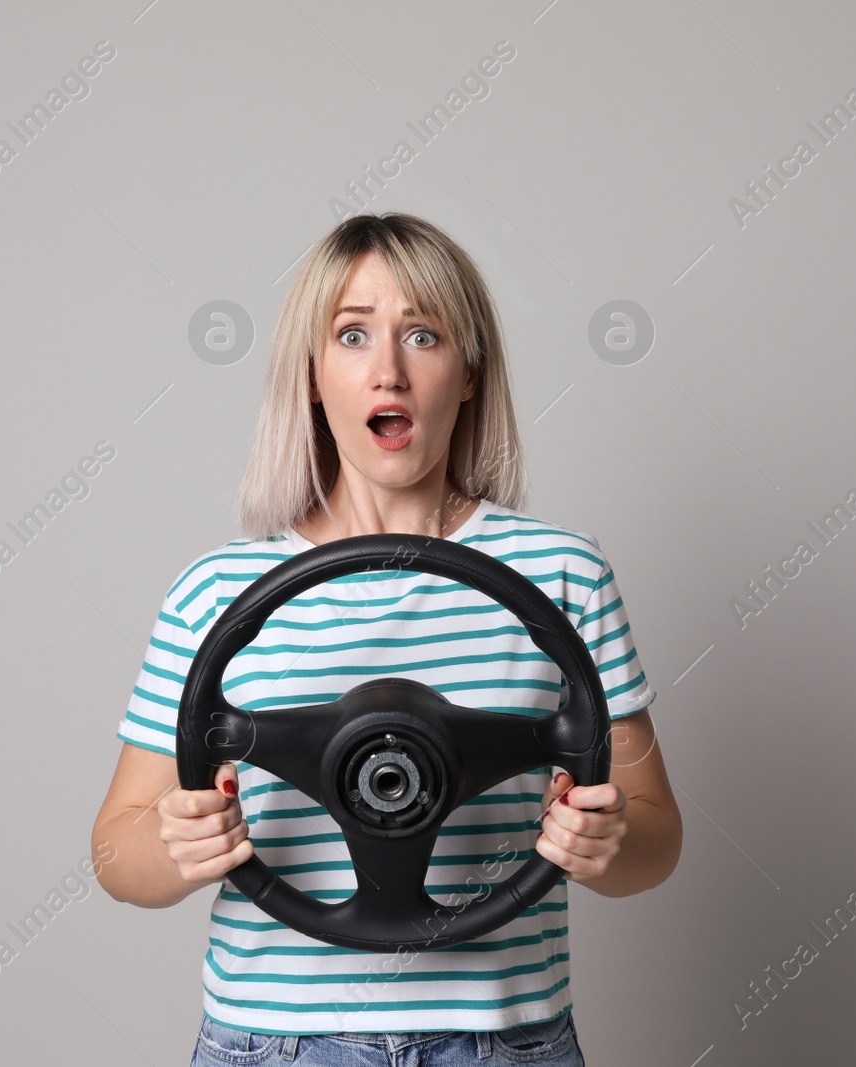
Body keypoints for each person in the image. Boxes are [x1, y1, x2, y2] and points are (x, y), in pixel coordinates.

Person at [91, 211, 681, 1066]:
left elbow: (656, 839)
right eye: (354, 335)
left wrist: (607, 840)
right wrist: (178, 844)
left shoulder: (563, 574)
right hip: (274, 1043)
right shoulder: (216, 591)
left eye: (424, 334)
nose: (389, 370)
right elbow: (116, 851)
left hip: (506, 1041)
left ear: (470, 372)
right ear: (313, 376)